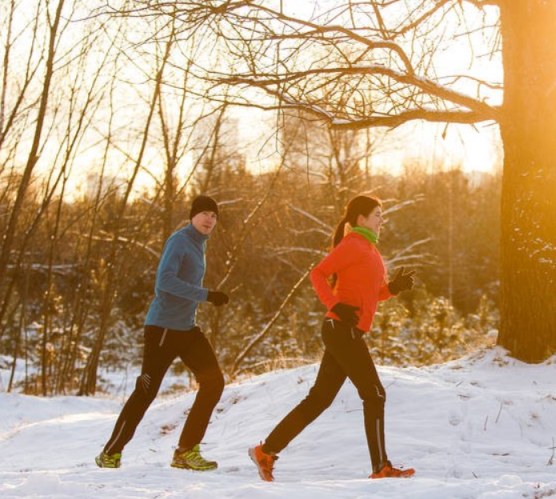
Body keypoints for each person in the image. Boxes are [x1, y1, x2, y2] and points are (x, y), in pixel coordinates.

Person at [249, 194, 416, 481]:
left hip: (347, 331)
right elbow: (318, 274)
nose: (382, 220)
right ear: (361, 218)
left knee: (319, 399)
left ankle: (266, 451)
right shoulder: (353, 244)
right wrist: (334, 305)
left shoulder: (370, 249)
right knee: (374, 394)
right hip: (341, 329)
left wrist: (393, 288)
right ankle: (381, 467)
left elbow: (371, 295)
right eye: (377, 214)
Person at [95, 195, 230, 471]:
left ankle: (185, 451)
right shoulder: (179, 241)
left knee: (214, 382)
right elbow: (165, 281)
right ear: (193, 216)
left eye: (214, 216)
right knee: (146, 391)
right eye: (204, 213)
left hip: (186, 328)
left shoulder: (199, 245)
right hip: (164, 329)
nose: (209, 219)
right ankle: (110, 453)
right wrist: (206, 295)